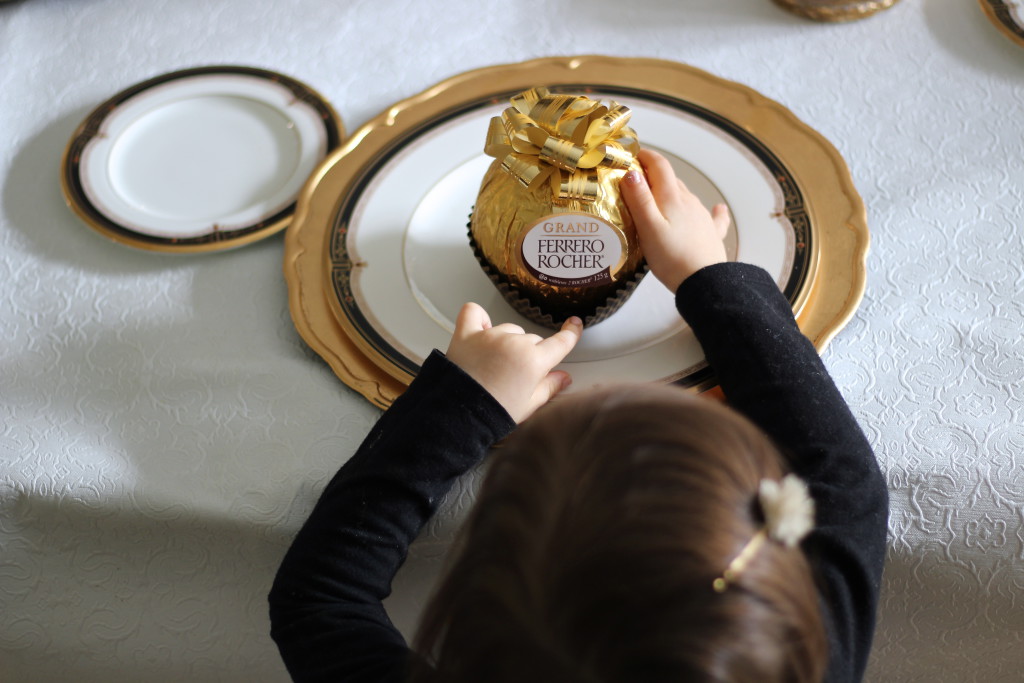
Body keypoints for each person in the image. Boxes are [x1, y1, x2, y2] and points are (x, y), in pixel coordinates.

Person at [268, 149, 889, 683]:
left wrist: (462, 405)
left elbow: (316, 599)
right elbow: (846, 479)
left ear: (462, 606)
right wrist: (710, 274)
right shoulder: (806, 659)